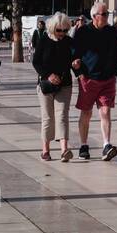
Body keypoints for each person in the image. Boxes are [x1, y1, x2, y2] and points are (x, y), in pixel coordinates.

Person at [72, 2, 117, 160]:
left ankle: (106, 145)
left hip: (107, 79)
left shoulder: (112, 31)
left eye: (107, 14)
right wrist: (79, 72)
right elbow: (74, 54)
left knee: (105, 111)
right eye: (104, 14)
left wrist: (115, 72)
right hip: (88, 79)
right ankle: (83, 145)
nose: (107, 17)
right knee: (86, 113)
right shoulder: (83, 32)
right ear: (94, 17)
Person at [33, 12, 75, 162]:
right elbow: (36, 62)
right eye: (59, 30)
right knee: (48, 118)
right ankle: (45, 149)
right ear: (52, 28)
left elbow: (74, 60)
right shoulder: (44, 40)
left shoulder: (69, 42)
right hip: (46, 85)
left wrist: (77, 66)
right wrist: (48, 75)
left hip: (64, 84)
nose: (62, 33)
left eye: (65, 30)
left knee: (62, 115)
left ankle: (64, 149)